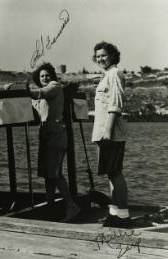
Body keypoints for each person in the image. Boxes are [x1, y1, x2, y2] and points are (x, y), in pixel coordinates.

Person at [28, 62, 80, 222]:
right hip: (46, 136)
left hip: (56, 136)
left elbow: (37, 93)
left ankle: (71, 206)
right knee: (48, 174)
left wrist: (24, 90)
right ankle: (50, 207)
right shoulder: (43, 94)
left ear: (52, 76)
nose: (45, 78)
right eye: (42, 76)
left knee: (55, 173)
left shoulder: (54, 87)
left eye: (47, 75)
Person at [92, 41, 131, 228]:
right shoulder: (106, 75)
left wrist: (107, 131)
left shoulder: (114, 74)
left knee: (115, 173)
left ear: (113, 56)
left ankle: (123, 216)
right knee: (111, 173)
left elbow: (115, 104)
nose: (100, 58)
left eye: (104, 55)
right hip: (104, 132)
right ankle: (115, 213)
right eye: (98, 56)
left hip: (111, 133)